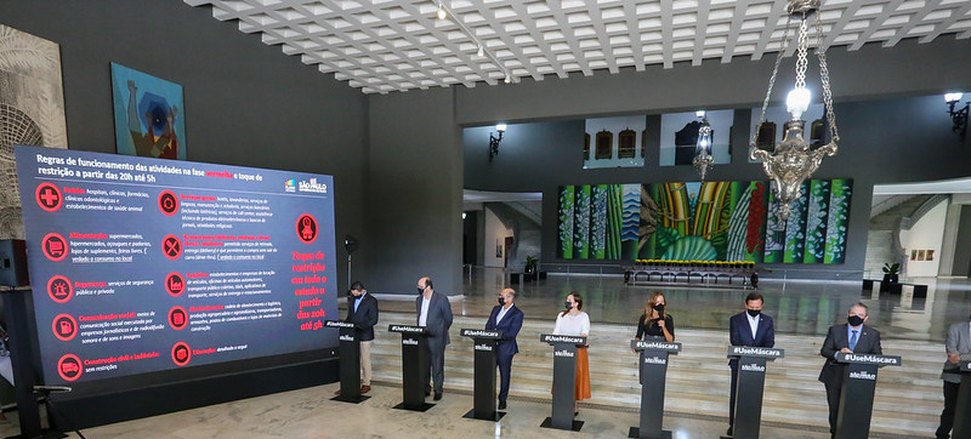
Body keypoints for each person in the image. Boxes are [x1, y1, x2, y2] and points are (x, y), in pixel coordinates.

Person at [818, 302, 882, 438]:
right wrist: (839, 354)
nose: (856, 316)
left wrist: (857, 357)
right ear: (848, 314)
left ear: (866, 318)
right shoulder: (835, 330)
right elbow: (825, 351)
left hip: (859, 380)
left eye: (860, 315)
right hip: (835, 377)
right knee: (835, 411)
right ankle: (835, 435)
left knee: (854, 412)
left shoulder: (873, 334)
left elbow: (878, 357)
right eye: (853, 313)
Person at [726, 292, 775, 437]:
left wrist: (757, 352)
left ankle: (751, 426)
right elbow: (735, 340)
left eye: (757, 307)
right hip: (739, 363)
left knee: (754, 396)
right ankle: (733, 425)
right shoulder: (735, 320)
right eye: (752, 307)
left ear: (762, 306)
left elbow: (770, 341)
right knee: (736, 395)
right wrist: (747, 351)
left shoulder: (767, 321)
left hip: (758, 365)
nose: (754, 309)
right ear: (746, 305)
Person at [334, 281, 378, 395]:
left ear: (361, 290)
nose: (353, 295)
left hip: (364, 334)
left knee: (365, 359)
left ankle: (366, 383)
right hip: (352, 334)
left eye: (355, 293)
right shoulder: (352, 298)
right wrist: (345, 325)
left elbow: (373, 319)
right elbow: (350, 315)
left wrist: (360, 326)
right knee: (351, 359)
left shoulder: (371, 300)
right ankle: (349, 383)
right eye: (352, 293)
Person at [485, 287, 524, 410]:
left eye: (502, 296)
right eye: (500, 295)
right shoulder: (495, 309)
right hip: (492, 346)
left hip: (506, 348)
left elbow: (512, 333)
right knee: (488, 373)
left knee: (504, 374)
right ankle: (487, 397)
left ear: (510, 298)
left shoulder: (517, 313)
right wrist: (490, 334)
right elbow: (488, 325)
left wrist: (497, 335)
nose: (500, 298)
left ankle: (502, 399)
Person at [553, 291, 591, 415]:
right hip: (562, 350)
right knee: (561, 375)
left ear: (576, 303)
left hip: (578, 351)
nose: (567, 302)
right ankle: (561, 403)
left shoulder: (584, 316)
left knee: (577, 377)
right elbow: (556, 332)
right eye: (567, 300)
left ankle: (575, 406)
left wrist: (579, 339)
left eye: (569, 300)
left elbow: (584, 333)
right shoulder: (561, 315)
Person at [936, 308, 971, 439]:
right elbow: (953, 357)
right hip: (953, 377)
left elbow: (958, 357)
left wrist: (962, 357)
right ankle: (942, 435)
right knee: (950, 409)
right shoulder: (956, 328)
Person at [415, 276, 452, 401]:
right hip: (422, 335)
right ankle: (426, 388)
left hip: (437, 337)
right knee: (424, 364)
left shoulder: (441, 299)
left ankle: (438, 389)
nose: (419, 289)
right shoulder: (419, 300)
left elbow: (448, 318)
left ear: (428, 287)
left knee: (437, 365)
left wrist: (440, 330)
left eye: (421, 287)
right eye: (418, 287)